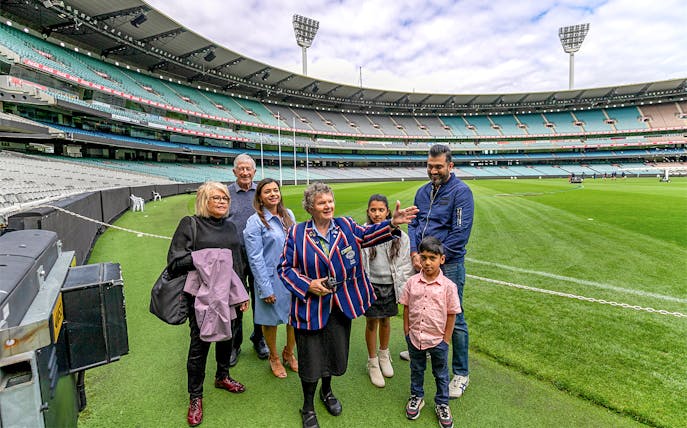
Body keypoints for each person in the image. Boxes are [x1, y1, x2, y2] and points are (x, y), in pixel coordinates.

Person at [279, 182, 418, 428]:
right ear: (310, 207)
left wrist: (392, 224)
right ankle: (308, 406)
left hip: (340, 306)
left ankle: (327, 392)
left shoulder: (345, 226)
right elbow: (284, 269)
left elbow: (367, 236)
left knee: (333, 354)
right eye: (322, 202)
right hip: (309, 309)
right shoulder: (297, 233)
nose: (328, 206)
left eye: (330, 201)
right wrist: (309, 284)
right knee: (311, 358)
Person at [167, 181, 250, 427]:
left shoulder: (231, 226)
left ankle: (222, 376)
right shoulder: (190, 224)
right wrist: (210, 258)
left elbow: (236, 261)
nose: (224, 202)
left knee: (227, 339)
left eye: (225, 198)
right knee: (199, 345)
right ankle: (196, 397)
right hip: (200, 297)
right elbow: (174, 263)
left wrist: (242, 293)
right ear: (205, 200)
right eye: (217, 198)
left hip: (229, 295)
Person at [407, 144, 474, 399]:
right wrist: (416, 253)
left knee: (454, 318)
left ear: (450, 166)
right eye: (430, 166)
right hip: (422, 262)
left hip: (450, 264)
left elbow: (460, 234)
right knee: (420, 307)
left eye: (438, 166)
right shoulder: (422, 192)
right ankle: (421, 345)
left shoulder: (461, 192)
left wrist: (434, 259)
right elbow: (414, 225)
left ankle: (460, 373)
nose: (433, 170)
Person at [400, 237, 461, 428]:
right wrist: (407, 333)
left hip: (437, 340)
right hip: (415, 338)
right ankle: (417, 396)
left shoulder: (449, 287)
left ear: (441, 259)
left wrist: (445, 340)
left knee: (441, 374)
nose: (427, 262)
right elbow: (407, 308)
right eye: (424, 257)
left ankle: (442, 403)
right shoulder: (412, 283)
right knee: (416, 369)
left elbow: (452, 314)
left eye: (432, 258)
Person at [243, 178, 298, 379]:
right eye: (268, 191)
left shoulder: (288, 215)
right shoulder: (254, 221)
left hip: (291, 277)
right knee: (271, 321)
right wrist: (265, 288)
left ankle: (289, 353)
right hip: (270, 278)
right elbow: (254, 257)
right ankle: (274, 357)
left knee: (294, 317)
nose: (273, 194)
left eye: (276, 190)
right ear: (260, 197)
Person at [361, 194, 414, 388]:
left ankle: (384, 354)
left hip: (390, 286)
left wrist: (404, 289)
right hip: (371, 285)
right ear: (368, 212)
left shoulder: (401, 236)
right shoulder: (364, 233)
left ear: (388, 212)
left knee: (386, 321)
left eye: (381, 210)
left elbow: (405, 264)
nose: (377, 213)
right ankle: (372, 361)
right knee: (371, 323)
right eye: (373, 210)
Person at [227, 153, 269, 364]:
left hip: (258, 254)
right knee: (235, 300)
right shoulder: (226, 193)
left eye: (248, 169)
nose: (244, 172)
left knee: (260, 297)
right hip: (234, 256)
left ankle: (259, 338)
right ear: (234, 171)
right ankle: (235, 343)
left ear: (254, 172)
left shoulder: (261, 193)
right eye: (240, 169)